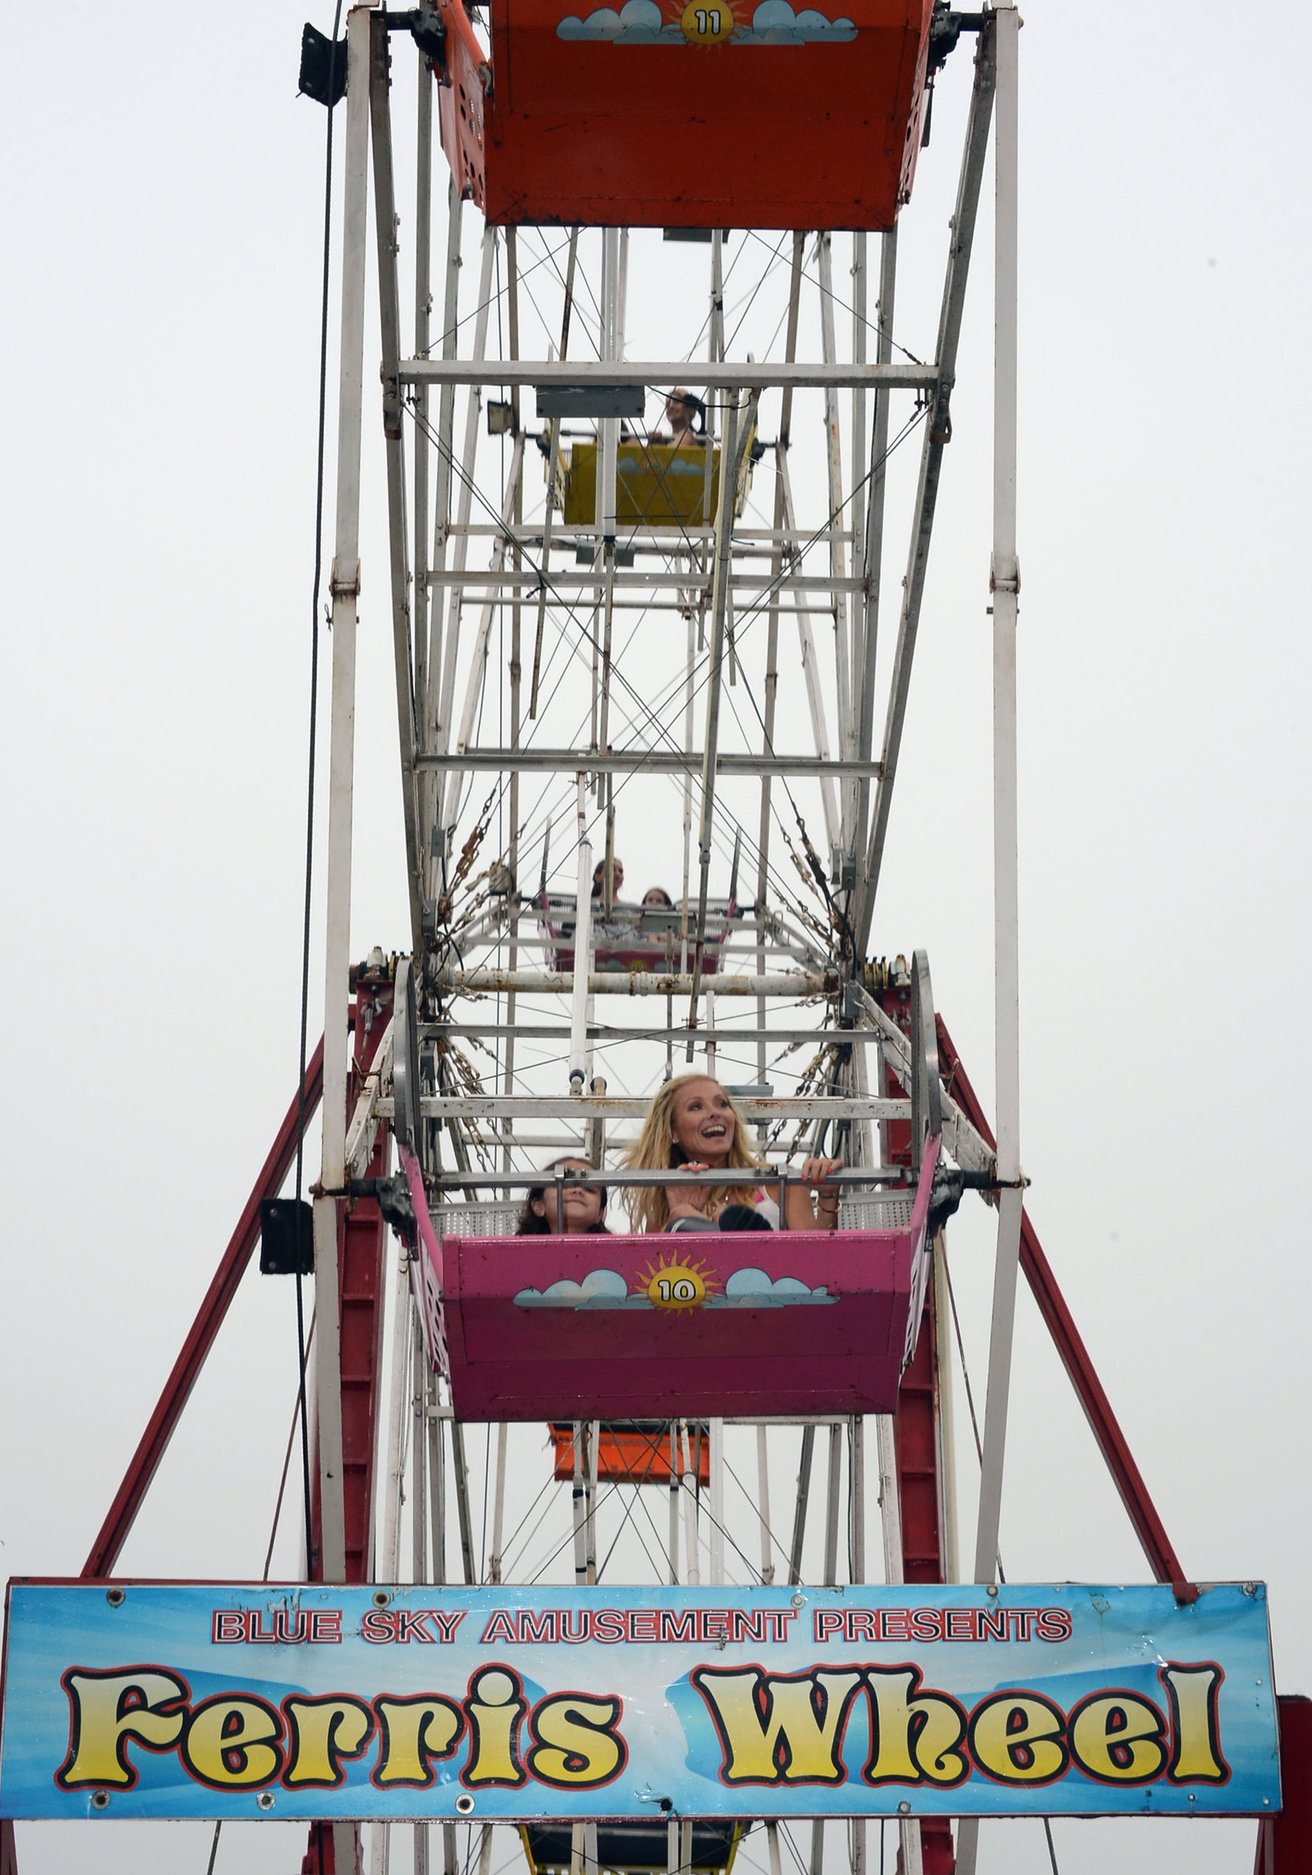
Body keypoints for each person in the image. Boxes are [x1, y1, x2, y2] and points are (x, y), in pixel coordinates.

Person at [620, 1074, 841, 1234]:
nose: (714, 1113)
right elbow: (656, 1277)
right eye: (696, 1107)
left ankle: (750, 1243)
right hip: (702, 1293)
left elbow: (815, 1259)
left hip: (773, 1286)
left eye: (722, 1104)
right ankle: (740, 1238)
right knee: (680, 1217)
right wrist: (683, 1212)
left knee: (696, 1216)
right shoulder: (664, 1206)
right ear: (673, 1132)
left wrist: (828, 1197)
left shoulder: (779, 1181)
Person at [516, 1157, 612, 1235]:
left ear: (600, 1214)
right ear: (539, 1206)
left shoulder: (615, 1255)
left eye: (589, 1189)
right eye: (565, 1185)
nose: (577, 1190)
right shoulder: (517, 1254)